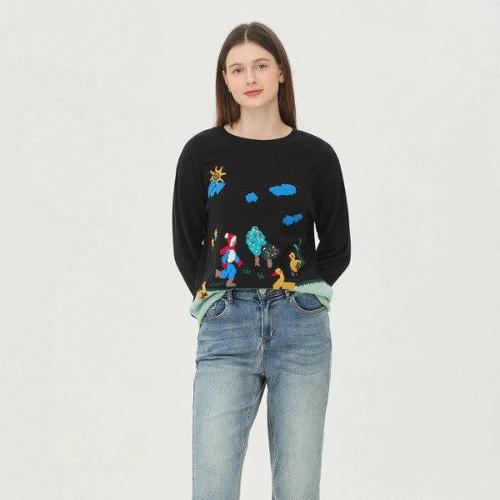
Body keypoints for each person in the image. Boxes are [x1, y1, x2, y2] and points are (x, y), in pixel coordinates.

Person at [172, 21, 351, 500]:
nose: (249, 77)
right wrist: (216, 300)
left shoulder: (316, 156)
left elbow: (337, 245)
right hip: (226, 327)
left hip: (301, 329)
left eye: (260, 65)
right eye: (237, 69)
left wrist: (304, 294)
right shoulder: (201, 153)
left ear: (280, 72)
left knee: (297, 486)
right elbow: (187, 243)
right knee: (212, 485)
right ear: (225, 80)